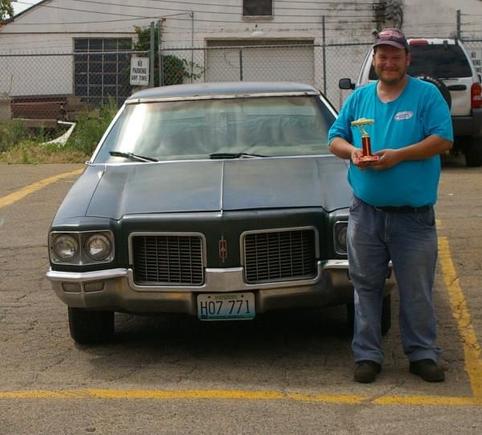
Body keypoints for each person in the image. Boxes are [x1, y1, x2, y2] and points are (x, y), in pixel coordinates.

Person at [328, 28, 453, 383]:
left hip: (412, 218)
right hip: (365, 213)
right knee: (365, 286)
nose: (388, 62)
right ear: (375, 60)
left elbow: (443, 140)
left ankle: (423, 354)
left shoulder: (426, 96)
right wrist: (353, 152)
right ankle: (367, 356)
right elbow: (334, 137)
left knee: (416, 289)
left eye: (395, 55)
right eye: (382, 56)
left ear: (407, 60)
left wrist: (399, 156)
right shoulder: (360, 98)